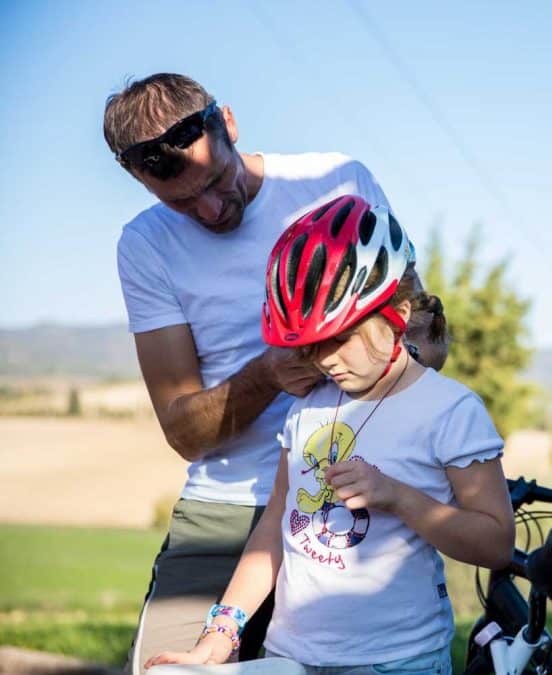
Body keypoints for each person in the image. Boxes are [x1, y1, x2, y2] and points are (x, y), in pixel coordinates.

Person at [104, 73, 448, 673]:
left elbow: (426, 338)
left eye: (215, 180)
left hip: (354, 490)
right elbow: (183, 432)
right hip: (225, 504)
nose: (211, 210)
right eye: (181, 202)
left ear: (229, 124)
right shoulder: (144, 246)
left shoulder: (339, 180)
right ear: (140, 181)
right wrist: (269, 373)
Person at [144, 194, 515, 673]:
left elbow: (496, 544)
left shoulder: (450, 410)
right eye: (308, 345)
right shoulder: (308, 405)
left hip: (397, 662)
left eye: (337, 339)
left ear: (397, 313)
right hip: (290, 658)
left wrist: (400, 498)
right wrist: (223, 630)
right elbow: (275, 525)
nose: (324, 360)